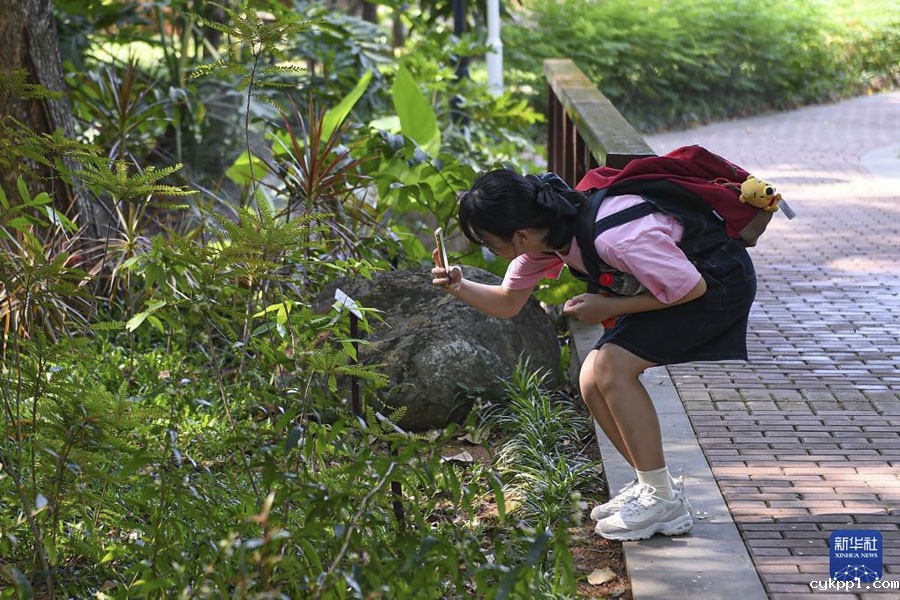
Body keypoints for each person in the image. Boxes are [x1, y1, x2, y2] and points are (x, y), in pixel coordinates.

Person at [431, 168, 756, 541]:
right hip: (679, 285)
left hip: (716, 285)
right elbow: (508, 302)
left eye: (491, 242)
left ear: (519, 235)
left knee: (613, 369)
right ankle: (654, 486)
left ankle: (662, 501)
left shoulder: (616, 238)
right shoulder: (548, 238)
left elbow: (691, 289)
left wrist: (607, 305)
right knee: (591, 377)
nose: (492, 251)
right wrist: (458, 286)